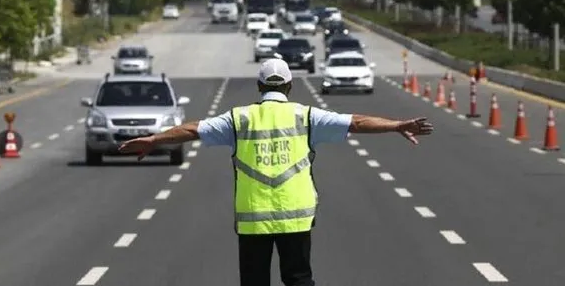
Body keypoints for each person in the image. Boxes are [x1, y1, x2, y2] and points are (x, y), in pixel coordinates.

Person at [118, 58, 434, 286]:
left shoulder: (238, 119)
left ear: (259, 87)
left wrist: (155, 139)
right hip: (296, 217)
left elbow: (192, 129)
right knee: (299, 278)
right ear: (290, 86)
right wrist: (397, 125)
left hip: (253, 218)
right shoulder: (306, 116)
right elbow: (356, 122)